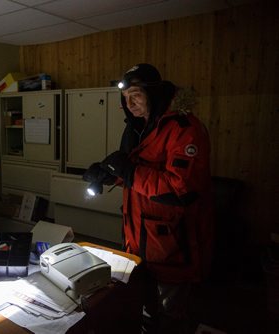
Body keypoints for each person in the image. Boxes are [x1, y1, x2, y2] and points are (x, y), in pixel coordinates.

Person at [84, 63, 213, 333]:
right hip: (138, 240)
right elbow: (136, 173)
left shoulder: (184, 128)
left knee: (171, 317)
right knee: (142, 308)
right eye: (126, 98)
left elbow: (181, 190)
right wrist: (107, 174)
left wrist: (129, 172)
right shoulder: (140, 129)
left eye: (136, 95)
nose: (130, 103)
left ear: (153, 94)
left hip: (171, 246)